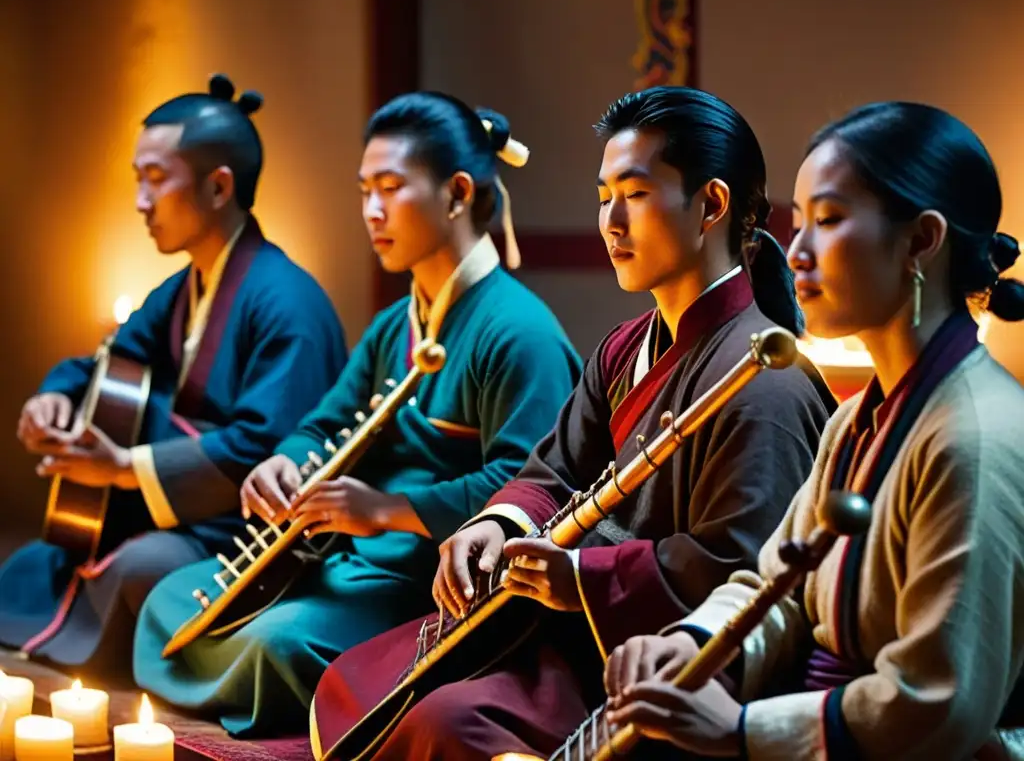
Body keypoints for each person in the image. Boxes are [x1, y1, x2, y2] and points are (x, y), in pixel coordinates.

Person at [310, 85, 838, 760]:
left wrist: (585, 576)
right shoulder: (624, 347)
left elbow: (743, 570)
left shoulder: (767, 382)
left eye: (635, 194)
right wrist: (495, 526)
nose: (611, 220)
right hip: (571, 630)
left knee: (452, 724)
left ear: (710, 204)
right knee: (360, 679)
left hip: (654, 663)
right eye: (602, 196)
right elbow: (552, 470)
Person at [132, 91, 583, 737]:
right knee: (168, 602)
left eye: (391, 188)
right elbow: (322, 422)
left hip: (423, 582)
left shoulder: (519, 332)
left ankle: (327, 694)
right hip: (346, 561)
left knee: (276, 644)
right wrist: (283, 462)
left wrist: (382, 511)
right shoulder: (392, 326)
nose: (371, 211)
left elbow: (530, 487)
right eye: (364, 189)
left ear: (456, 193)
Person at [602, 101, 1024, 760]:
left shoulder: (974, 437)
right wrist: (690, 642)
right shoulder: (859, 418)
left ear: (921, 240)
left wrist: (740, 731)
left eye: (826, 221)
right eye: (798, 223)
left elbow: (938, 702)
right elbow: (778, 585)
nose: (794, 253)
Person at [0, 74, 348, 682]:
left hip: (241, 531)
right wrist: (56, 396)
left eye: (155, 179)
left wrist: (121, 469)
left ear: (219, 187)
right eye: (138, 178)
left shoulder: (289, 303)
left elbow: (263, 452)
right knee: (39, 559)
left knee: (140, 569)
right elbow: (108, 363)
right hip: (166, 511)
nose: (140, 201)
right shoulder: (185, 286)